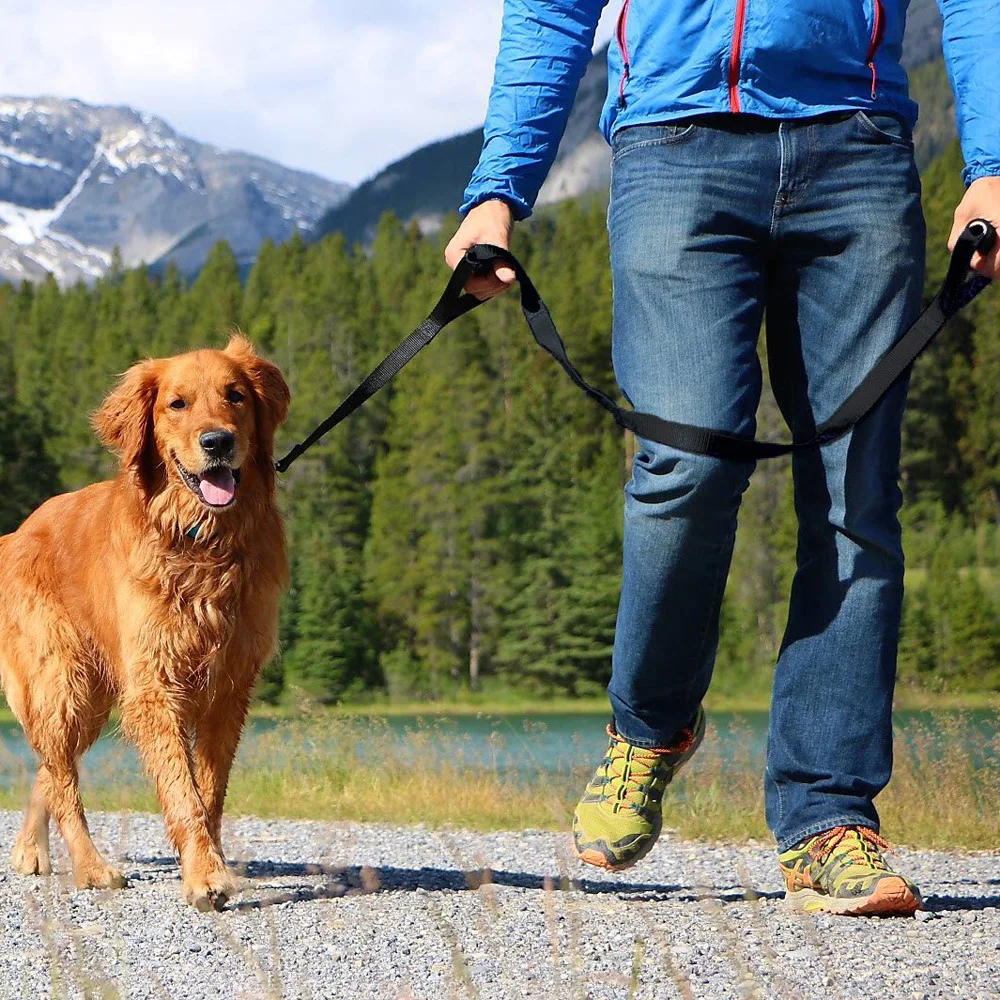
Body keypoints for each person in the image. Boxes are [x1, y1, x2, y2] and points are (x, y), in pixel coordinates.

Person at [445, 0, 1000, 916]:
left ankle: (828, 819)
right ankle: (651, 727)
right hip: (674, 143)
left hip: (855, 144)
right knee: (683, 468)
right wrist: (498, 188)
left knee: (855, 496)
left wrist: (991, 163)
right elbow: (550, 10)